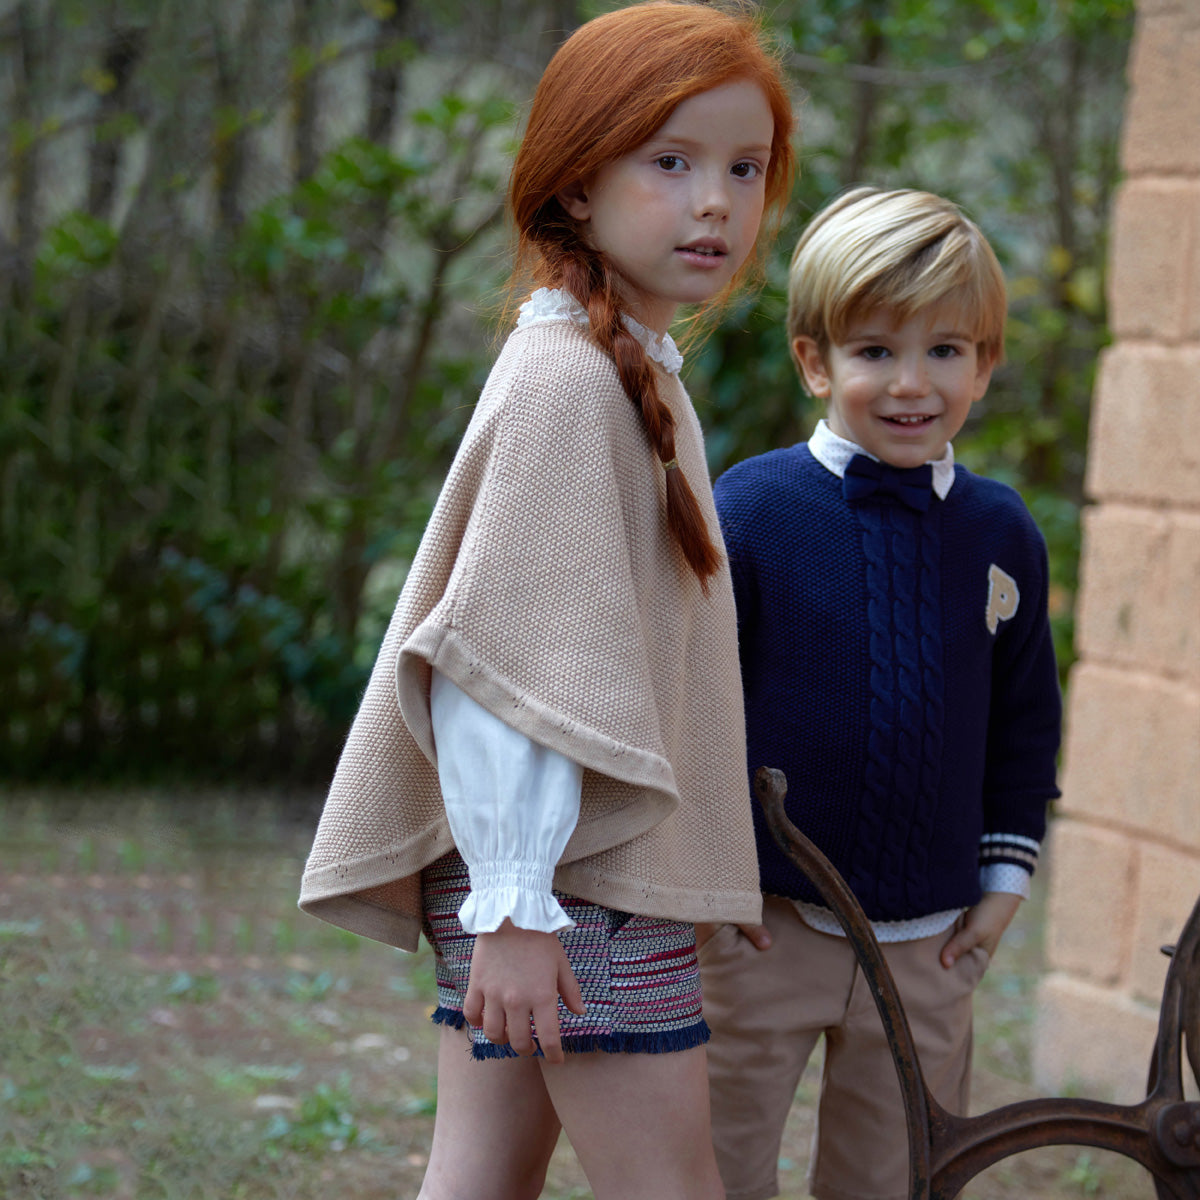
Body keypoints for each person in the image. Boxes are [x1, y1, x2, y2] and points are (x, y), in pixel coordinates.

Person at [298, 4, 795, 1198]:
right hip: (567, 892)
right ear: (576, 184)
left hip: (548, 884)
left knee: (479, 1178)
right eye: (669, 162)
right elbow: (496, 669)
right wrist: (516, 910)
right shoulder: (571, 383)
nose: (715, 203)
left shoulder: (622, 373)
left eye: (745, 168)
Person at [700, 186, 1063, 1200]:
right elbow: (698, 707)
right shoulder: (755, 510)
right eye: (874, 351)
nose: (911, 383)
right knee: (714, 1167)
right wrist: (714, 885)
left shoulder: (1002, 532)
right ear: (815, 361)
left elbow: (1025, 721)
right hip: (764, 926)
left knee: (895, 1176)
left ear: (985, 364)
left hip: (931, 946)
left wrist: (1004, 883)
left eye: (945, 350)